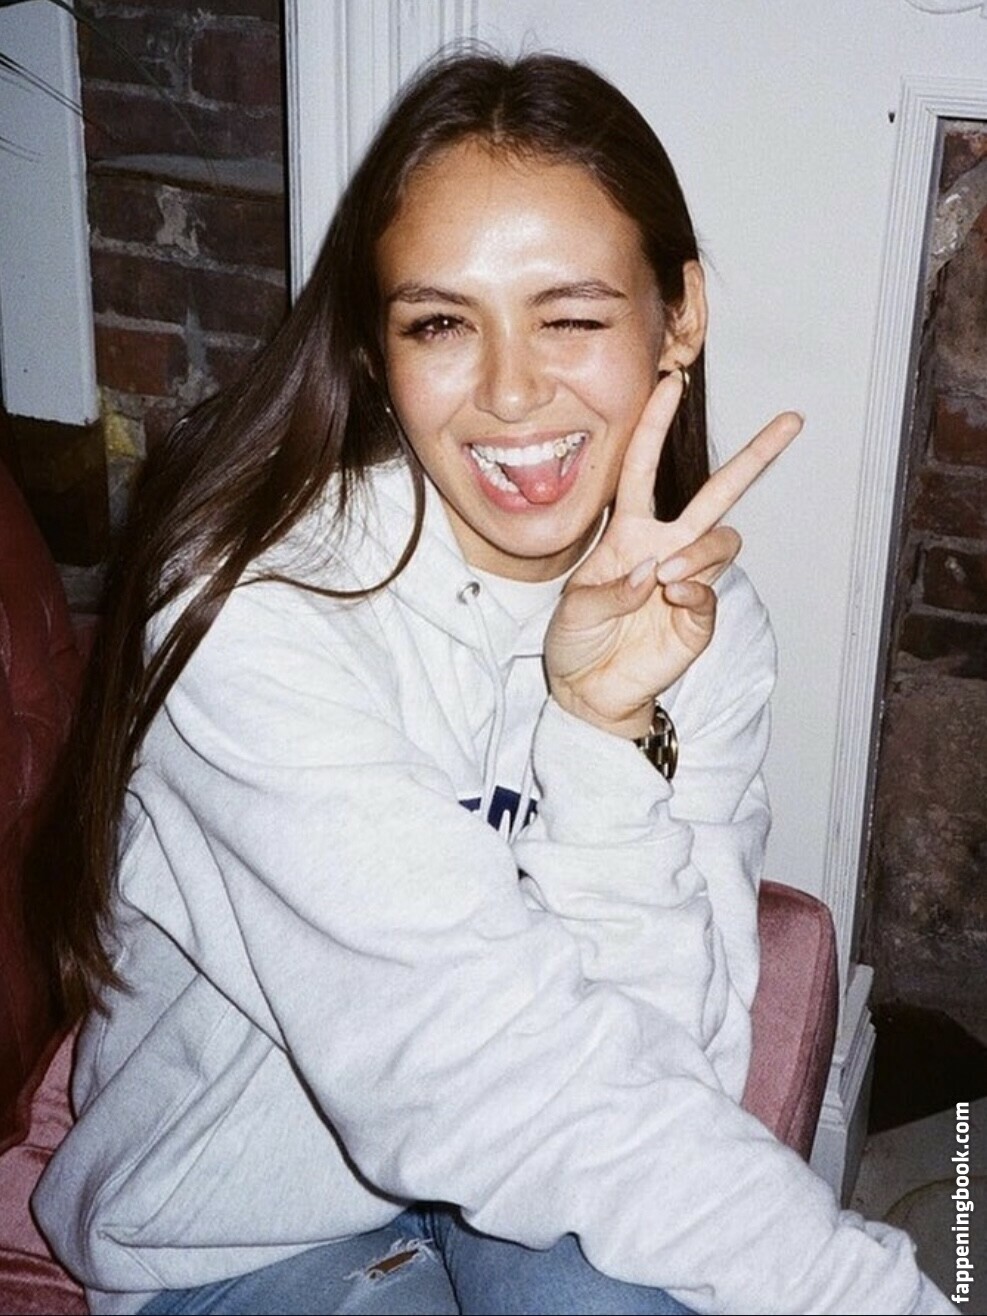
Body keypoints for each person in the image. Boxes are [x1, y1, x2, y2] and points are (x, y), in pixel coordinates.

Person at [32, 50, 953, 1316]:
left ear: (680, 312)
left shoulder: (706, 621)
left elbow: (666, 1066)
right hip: (237, 1238)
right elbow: (466, 1072)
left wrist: (602, 730)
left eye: (570, 315)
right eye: (441, 322)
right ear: (376, 345)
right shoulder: (253, 610)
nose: (512, 391)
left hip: (528, 1173)